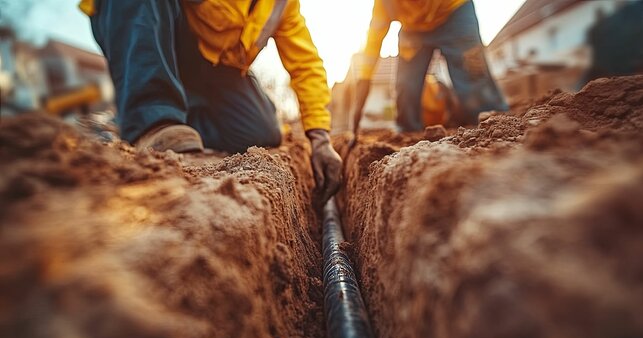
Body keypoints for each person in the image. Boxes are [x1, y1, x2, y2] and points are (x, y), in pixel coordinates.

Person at [79, 0, 342, 203]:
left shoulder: (281, 5)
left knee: (263, 132)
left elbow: (307, 65)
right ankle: (150, 119)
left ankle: (173, 117)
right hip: (156, 31)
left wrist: (320, 138)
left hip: (216, 66)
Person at [353, 0, 507, 133]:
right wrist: (364, 79)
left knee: (473, 76)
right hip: (413, 28)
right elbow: (374, 36)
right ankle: (408, 132)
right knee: (406, 87)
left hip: (454, 12)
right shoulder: (385, 3)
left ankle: (494, 125)